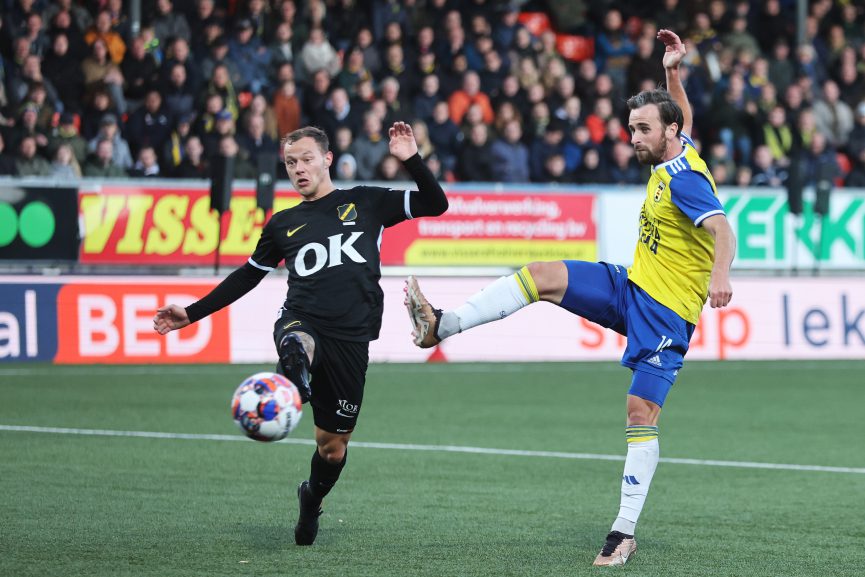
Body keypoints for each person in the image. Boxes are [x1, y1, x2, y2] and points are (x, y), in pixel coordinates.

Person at [404, 29, 736, 567]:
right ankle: (441, 325)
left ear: (667, 132)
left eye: (643, 129)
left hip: (667, 315)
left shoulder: (685, 181)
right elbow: (686, 120)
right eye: (631, 128)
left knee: (640, 411)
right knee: (542, 274)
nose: (633, 137)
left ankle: (623, 531)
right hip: (631, 287)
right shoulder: (677, 148)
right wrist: (673, 72)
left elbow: (723, 229)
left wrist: (720, 276)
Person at [153, 122, 448, 546]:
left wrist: (412, 160)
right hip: (302, 319)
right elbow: (247, 277)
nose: (298, 169)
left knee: (333, 449)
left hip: (352, 340)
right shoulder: (282, 224)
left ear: (327, 159)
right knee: (295, 345)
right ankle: (292, 383)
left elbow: (436, 204)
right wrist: (193, 313)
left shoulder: (365, 201)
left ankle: (311, 499)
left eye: (307, 159)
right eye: (291, 162)